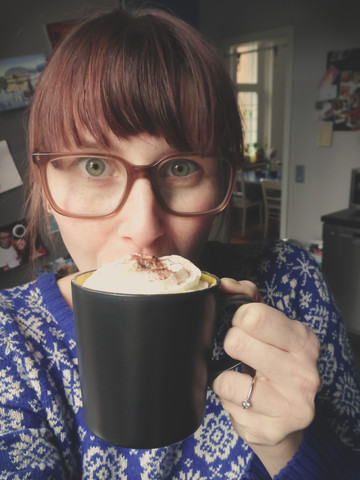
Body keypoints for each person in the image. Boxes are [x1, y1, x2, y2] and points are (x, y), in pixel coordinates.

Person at [0, 6, 359, 479]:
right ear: (46, 187)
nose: (145, 226)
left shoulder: (290, 283)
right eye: (94, 165)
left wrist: (293, 445)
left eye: (181, 167)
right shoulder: (12, 343)